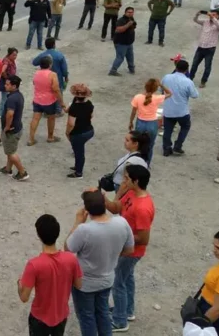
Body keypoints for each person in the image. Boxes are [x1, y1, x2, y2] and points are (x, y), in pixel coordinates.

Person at [65, 190, 135, 336]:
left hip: (84, 283)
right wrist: (112, 254)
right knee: (103, 313)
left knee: (87, 317)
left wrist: (77, 222)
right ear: (104, 205)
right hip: (107, 279)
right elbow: (130, 249)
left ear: (87, 210)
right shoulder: (121, 222)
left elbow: (68, 248)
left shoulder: (84, 230)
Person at [104, 164, 154, 332]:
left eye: (126, 178)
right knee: (127, 279)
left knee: (118, 282)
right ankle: (127, 311)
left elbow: (144, 238)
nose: (123, 181)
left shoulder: (142, 208)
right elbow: (115, 208)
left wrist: (121, 238)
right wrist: (111, 196)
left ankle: (119, 321)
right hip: (126, 248)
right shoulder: (131, 193)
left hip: (130, 251)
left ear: (136, 181)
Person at [19, 214, 83, 336]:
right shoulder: (71, 259)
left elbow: (24, 297)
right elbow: (79, 285)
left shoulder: (34, 265)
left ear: (39, 235)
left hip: (39, 317)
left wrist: (19, 284)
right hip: (61, 315)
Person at [161, 59, 199, 157]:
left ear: (176, 67)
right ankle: (177, 146)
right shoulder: (188, 82)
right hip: (182, 111)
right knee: (185, 127)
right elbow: (195, 95)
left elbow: (161, 89)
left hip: (168, 110)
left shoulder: (166, 77)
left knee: (167, 130)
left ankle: (166, 148)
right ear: (186, 70)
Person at [129, 79, 172, 164]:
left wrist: (130, 122)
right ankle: (146, 164)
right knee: (150, 145)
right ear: (155, 89)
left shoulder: (138, 97)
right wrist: (161, 85)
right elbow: (170, 93)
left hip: (140, 122)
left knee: (138, 145)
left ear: (145, 86)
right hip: (152, 124)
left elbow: (133, 111)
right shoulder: (157, 98)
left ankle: (136, 162)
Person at [28, 56, 66, 147]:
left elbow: (34, 83)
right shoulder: (52, 74)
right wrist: (61, 102)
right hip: (49, 101)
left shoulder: (36, 73)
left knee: (35, 119)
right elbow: (56, 89)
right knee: (51, 118)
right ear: (50, 64)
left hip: (37, 100)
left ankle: (31, 139)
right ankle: (50, 137)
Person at [0, 76, 29, 181]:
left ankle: (22, 172)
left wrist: (6, 127)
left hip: (11, 131)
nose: (5, 86)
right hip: (17, 127)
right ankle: (8, 169)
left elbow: (10, 114)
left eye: (7, 84)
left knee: (11, 153)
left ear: (14, 86)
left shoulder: (11, 98)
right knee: (10, 150)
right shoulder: (18, 95)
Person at [65, 84, 94, 179]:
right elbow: (92, 116)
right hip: (89, 130)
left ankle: (78, 173)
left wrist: (67, 132)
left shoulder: (74, 108)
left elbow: (71, 124)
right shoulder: (89, 104)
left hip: (78, 133)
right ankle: (77, 166)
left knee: (79, 153)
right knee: (78, 151)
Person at [32, 38, 68, 114]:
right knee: (58, 92)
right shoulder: (60, 55)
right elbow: (64, 70)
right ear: (54, 45)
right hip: (58, 78)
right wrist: (66, 77)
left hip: (45, 78)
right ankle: (58, 110)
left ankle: (46, 109)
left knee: (47, 92)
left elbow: (34, 62)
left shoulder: (43, 55)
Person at [190, 10, 219, 88]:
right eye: (211, 14)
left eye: (214, 14)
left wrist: (213, 17)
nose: (211, 15)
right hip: (200, 47)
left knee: (207, 66)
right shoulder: (205, 22)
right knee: (194, 64)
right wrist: (197, 15)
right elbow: (196, 20)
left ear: (218, 16)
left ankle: (203, 81)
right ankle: (190, 78)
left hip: (210, 48)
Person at [109, 7, 137, 77]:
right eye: (128, 12)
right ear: (125, 12)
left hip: (129, 42)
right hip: (121, 43)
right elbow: (118, 30)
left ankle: (131, 69)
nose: (130, 13)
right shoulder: (121, 20)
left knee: (130, 56)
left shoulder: (131, 19)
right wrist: (128, 25)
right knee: (120, 57)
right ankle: (113, 71)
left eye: (131, 12)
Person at [0, 47, 18, 118]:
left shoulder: (10, 60)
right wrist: (7, 78)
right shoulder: (6, 61)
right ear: (9, 54)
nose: (15, 57)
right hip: (7, 83)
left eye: (16, 55)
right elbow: (3, 71)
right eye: (14, 55)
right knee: (5, 98)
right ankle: (1, 113)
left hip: (10, 82)